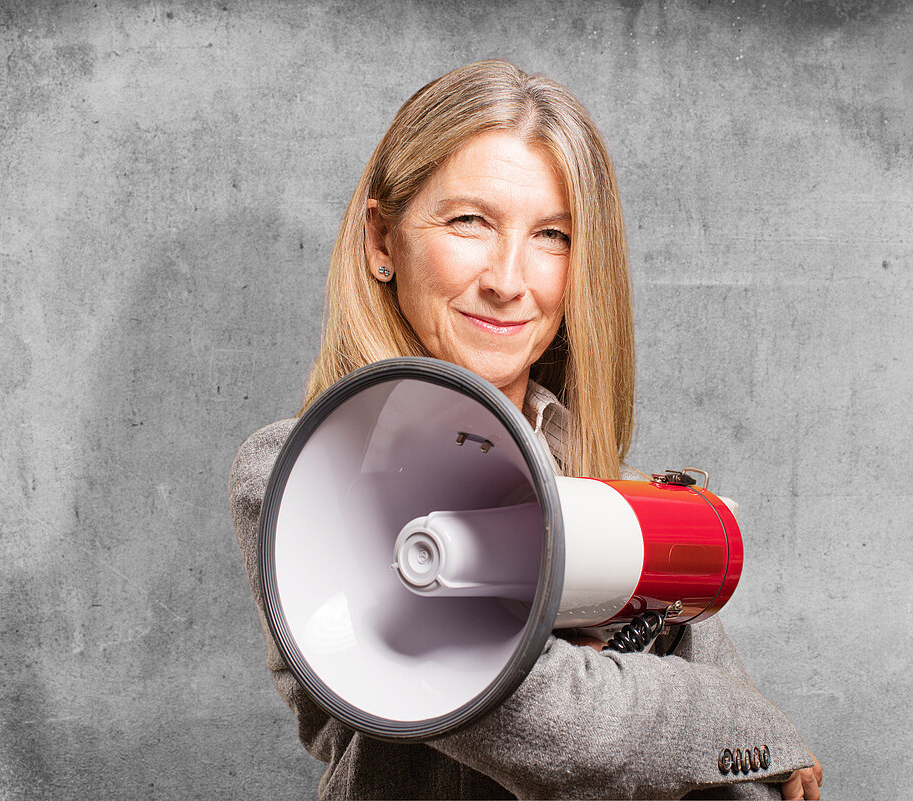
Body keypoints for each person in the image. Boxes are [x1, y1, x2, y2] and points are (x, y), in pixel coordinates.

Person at [229, 60, 822, 800]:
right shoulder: (299, 470)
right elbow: (557, 727)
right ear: (382, 240)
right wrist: (754, 723)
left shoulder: (586, 465)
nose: (509, 279)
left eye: (552, 234)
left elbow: (684, 638)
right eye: (470, 221)